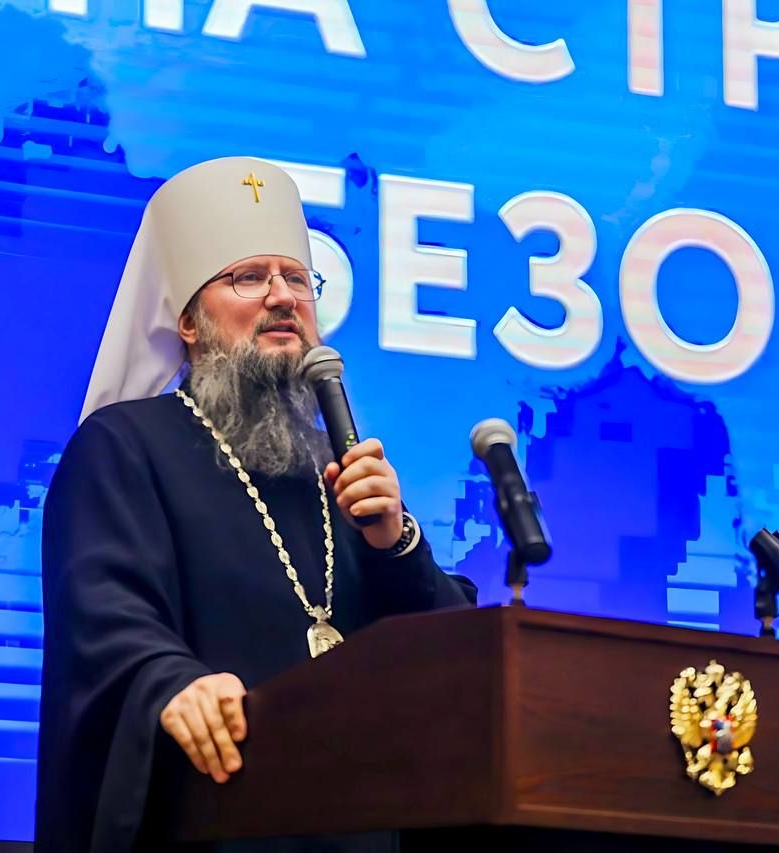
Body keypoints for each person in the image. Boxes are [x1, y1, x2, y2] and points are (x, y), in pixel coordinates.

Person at [34, 156, 476, 853]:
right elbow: (104, 616)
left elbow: (456, 664)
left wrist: (397, 545)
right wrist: (171, 682)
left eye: (297, 279)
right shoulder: (123, 446)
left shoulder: (338, 474)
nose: (282, 297)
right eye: (248, 277)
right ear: (187, 321)